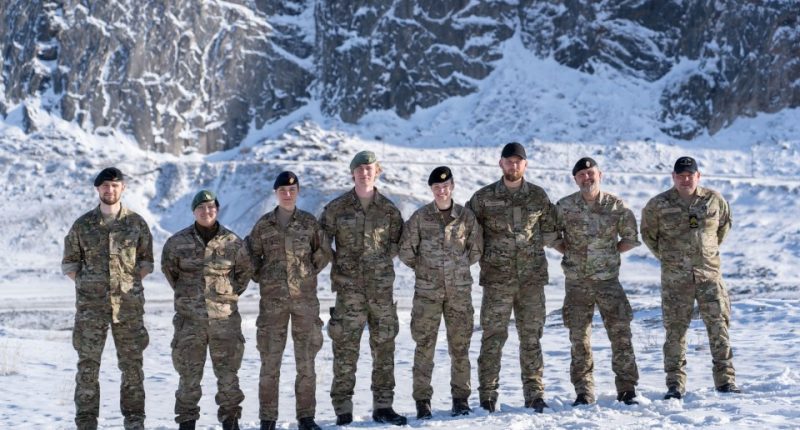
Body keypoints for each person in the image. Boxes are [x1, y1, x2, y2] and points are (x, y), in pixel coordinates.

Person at [466, 142, 558, 413]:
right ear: (501, 163)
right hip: (497, 281)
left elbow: (552, 231)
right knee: (493, 338)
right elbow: (468, 233)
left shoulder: (539, 197)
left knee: (531, 338)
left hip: (531, 281)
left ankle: (534, 394)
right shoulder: (482, 198)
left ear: (525, 165)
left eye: (518, 161)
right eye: (509, 160)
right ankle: (487, 395)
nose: (513, 165)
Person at [62, 167, 153, 430]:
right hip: (91, 310)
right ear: (98, 189)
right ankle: (86, 422)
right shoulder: (83, 225)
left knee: (132, 368)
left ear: (122, 188)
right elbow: (69, 264)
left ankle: (134, 422)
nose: (109, 190)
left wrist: (129, 284)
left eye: (114, 185)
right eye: (105, 186)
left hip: (128, 309)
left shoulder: (136, 223)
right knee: (88, 367)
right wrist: (88, 284)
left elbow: (146, 261)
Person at [320, 151, 407, 426]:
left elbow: (399, 242)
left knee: (384, 349)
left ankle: (383, 405)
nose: (364, 173)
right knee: (345, 350)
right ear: (352, 173)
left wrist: (379, 262)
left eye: (369, 168)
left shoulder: (389, 210)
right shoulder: (337, 208)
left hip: (381, 291)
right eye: (359, 169)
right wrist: (341, 264)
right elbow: (322, 241)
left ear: (377, 171)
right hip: (349, 292)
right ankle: (343, 408)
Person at [641, 156, 739, 399]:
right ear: (673, 177)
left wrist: (706, 253)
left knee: (719, 329)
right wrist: (671, 259)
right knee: (675, 333)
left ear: (698, 176)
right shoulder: (658, 205)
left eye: (690, 175)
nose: (686, 179)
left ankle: (725, 382)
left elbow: (723, 227)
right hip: (676, 280)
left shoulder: (714, 200)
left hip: (709, 277)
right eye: (681, 175)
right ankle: (675, 385)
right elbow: (649, 235)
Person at [551, 157, 640, 407]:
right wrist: (571, 253)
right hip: (577, 284)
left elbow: (631, 238)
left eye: (591, 173)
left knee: (621, 334)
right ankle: (583, 391)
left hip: (608, 282)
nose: (587, 178)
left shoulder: (615, 206)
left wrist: (608, 255)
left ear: (600, 174)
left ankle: (627, 388)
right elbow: (551, 235)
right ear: (575, 179)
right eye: (581, 175)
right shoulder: (565, 206)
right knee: (579, 339)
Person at [161, 190, 252, 430]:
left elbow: (243, 273)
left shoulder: (232, 241)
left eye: (211, 207)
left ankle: (231, 421)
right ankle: (187, 422)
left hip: (225, 321)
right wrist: (190, 297)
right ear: (194, 212)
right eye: (201, 208)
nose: (206, 211)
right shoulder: (177, 242)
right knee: (189, 377)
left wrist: (224, 296)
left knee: (228, 376)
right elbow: (170, 272)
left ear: (217, 209)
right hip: (189, 322)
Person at [246, 172, 330, 430]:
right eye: (282, 189)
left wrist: (306, 274)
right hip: (272, 305)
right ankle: (267, 419)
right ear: (276, 193)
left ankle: (306, 417)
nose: (287, 193)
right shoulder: (263, 225)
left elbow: (323, 252)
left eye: (292, 190)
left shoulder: (308, 223)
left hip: (305, 302)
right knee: (270, 362)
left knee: (306, 361)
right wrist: (266, 277)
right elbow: (249, 256)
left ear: (298, 192)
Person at [398, 166, 483, 419]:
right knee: (424, 347)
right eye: (437, 187)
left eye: (445, 186)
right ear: (432, 190)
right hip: (427, 294)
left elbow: (476, 249)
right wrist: (425, 270)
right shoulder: (420, 217)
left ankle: (461, 399)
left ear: (452, 187)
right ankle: (423, 401)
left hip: (459, 293)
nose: (441, 190)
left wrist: (457, 269)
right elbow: (406, 251)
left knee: (460, 347)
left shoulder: (466, 217)